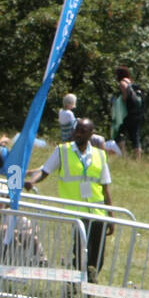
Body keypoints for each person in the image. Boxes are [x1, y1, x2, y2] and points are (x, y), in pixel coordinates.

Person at [24, 118, 114, 280]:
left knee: (97, 256)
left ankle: (90, 283)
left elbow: (105, 188)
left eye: (83, 131)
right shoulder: (62, 151)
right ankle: (75, 286)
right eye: (76, 130)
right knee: (80, 253)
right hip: (77, 212)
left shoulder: (100, 155)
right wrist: (32, 181)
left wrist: (111, 217)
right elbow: (45, 171)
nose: (78, 134)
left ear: (91, 134)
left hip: (97, 212)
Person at [111, 67, 145, 158]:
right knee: (135, 136)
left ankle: (123, 154)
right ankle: (138, 158)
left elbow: (125, 96)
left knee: (118, 133)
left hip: (128, 113)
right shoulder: (131, 82)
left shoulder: (122, 83)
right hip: (137, 112)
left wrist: (120, 100)